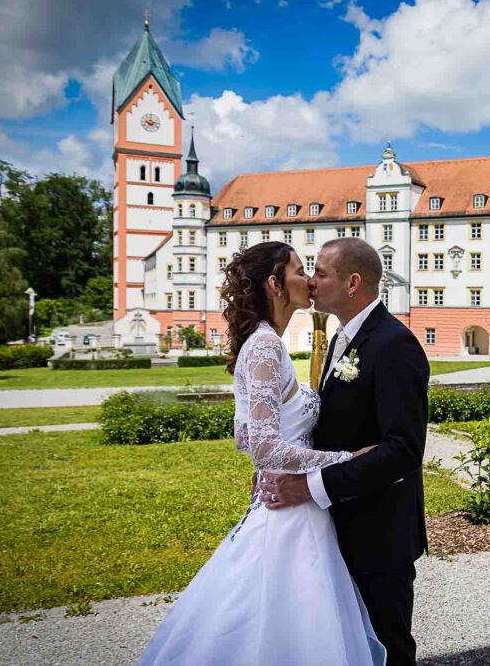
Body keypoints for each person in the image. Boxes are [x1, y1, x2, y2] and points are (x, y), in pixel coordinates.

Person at [138, 241, 385, 665]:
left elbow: (243, 436)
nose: (308, 279)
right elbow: (262, 444)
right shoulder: (267, 346)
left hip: (288, 501)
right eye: (299, 269)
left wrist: (274, 461)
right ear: (275, 283)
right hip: (290, 513)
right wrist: (347, 458)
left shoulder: (263, 343)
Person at [260, 237, 430, 666]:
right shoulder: (340, 338)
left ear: (353, 282)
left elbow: (402, 451)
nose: (312, 283)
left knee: (387, 646)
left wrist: (311, 486)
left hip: (378, 529)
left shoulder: (394, 345)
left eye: (320, 273)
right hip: (336, 524)